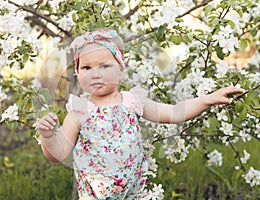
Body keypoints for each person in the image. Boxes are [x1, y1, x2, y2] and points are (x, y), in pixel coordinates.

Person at [36, 28, 243, 200]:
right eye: (87, 67)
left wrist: (206, 99)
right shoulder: (79, 111)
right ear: (78, 73)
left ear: (121, 70)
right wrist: (48, 137)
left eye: (104, 66)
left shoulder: (132, 101)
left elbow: (175, 112)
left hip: (133, 194)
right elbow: (59, 153)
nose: (95, 73)